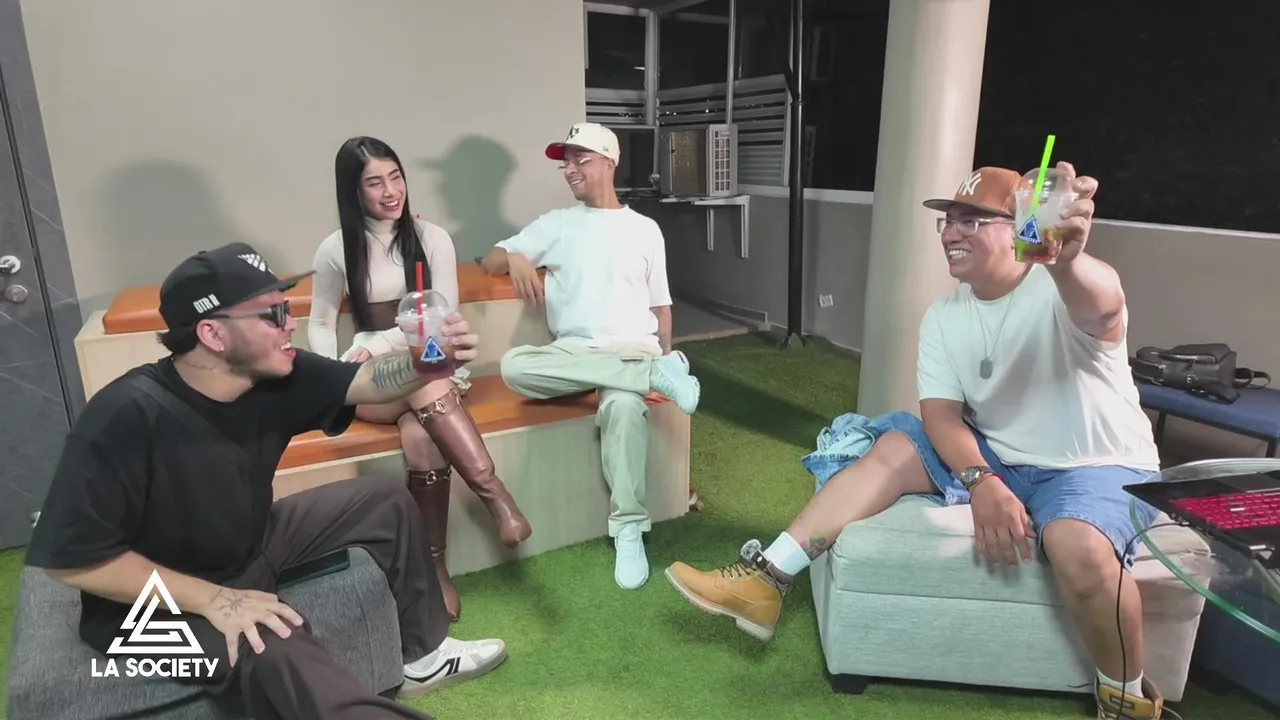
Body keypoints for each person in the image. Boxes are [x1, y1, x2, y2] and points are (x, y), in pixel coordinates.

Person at [664, 165, 1170, 720]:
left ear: (1019, 228)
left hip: (1095, 465)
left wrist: (1067, 259)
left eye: (972, 220)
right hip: (1002, 454)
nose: (952, 232)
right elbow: (941, 416)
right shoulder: (945, 316)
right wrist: (983, 481)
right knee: (898, 442)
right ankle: (768, 578)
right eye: (948, 221)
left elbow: (1103, 306)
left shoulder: (1061, 288)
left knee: (1079, 547)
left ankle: (1125, 700)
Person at [26, 243, 509, 719]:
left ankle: (424, 656)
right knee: (269, 641)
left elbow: (367, 381)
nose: (290, 323)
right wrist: (215, 600)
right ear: (213, 334)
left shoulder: (279, 374)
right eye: (273, 314)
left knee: (383, 500)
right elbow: (73, 563)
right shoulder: (124, 416)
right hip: (141, 617)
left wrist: (428, 358)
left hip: (245, 546)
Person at [309, 136, 532, 622]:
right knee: (424, 377)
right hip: (371, 381)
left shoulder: (432, 238)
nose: (391, 191)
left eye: (396, 177)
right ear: (353, 190)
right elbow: (321, 322)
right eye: (375, 183)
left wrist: (381, 342)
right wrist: (330, 377)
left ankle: (434, 570)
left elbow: (443, 313)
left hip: (430, 364)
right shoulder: (334, 249)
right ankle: (495, 496)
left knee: (422, 431)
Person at [481, 122, 702, 591]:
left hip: (633, 348)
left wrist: (665, 350)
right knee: (515, 366)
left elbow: (660, 307)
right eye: (566, 163)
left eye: (580, 160)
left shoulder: (645, 230)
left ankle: (628, 529)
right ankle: (650, 374)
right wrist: (514, 256)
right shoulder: (557, 224)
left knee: (623, 407)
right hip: (575, 354)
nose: (569, 170)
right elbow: (490, 259)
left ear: (609, 162)